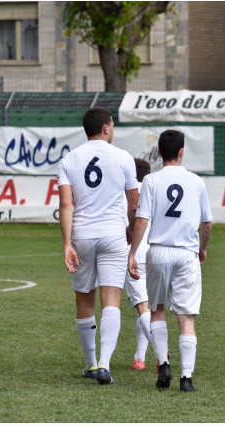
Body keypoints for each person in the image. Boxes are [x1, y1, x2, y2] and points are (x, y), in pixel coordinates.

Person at [58, 107, 139, 385]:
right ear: (105, 128)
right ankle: (105, 363)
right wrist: (130, 230)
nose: (113, 129)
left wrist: (67, 243)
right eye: (112, 125)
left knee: (84, 299)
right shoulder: (123, 157)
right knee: (111, 300)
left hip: (82, 235)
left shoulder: (69, 159)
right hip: (113, 235)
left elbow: (66, 204)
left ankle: (91, 364)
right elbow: (134, 204)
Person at [128, 129, 213, 392]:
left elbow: (142, 220)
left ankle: (164, 364)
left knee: (158, 311)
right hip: (187, 254)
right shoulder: (197, 181)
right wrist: (202, 248)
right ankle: (186, 379)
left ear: (159, 153)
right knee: (186, 318)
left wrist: (132, 252)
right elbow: (207, 223)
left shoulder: (151, 181)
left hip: (159, 252)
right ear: (181, 152)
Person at [124, 158, 153, 370]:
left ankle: (162, 353)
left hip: (134, 254)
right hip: (157, 252)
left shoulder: (126, 192)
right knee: (149, 308)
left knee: (143, 308)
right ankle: (139, 358)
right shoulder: (155, 190)